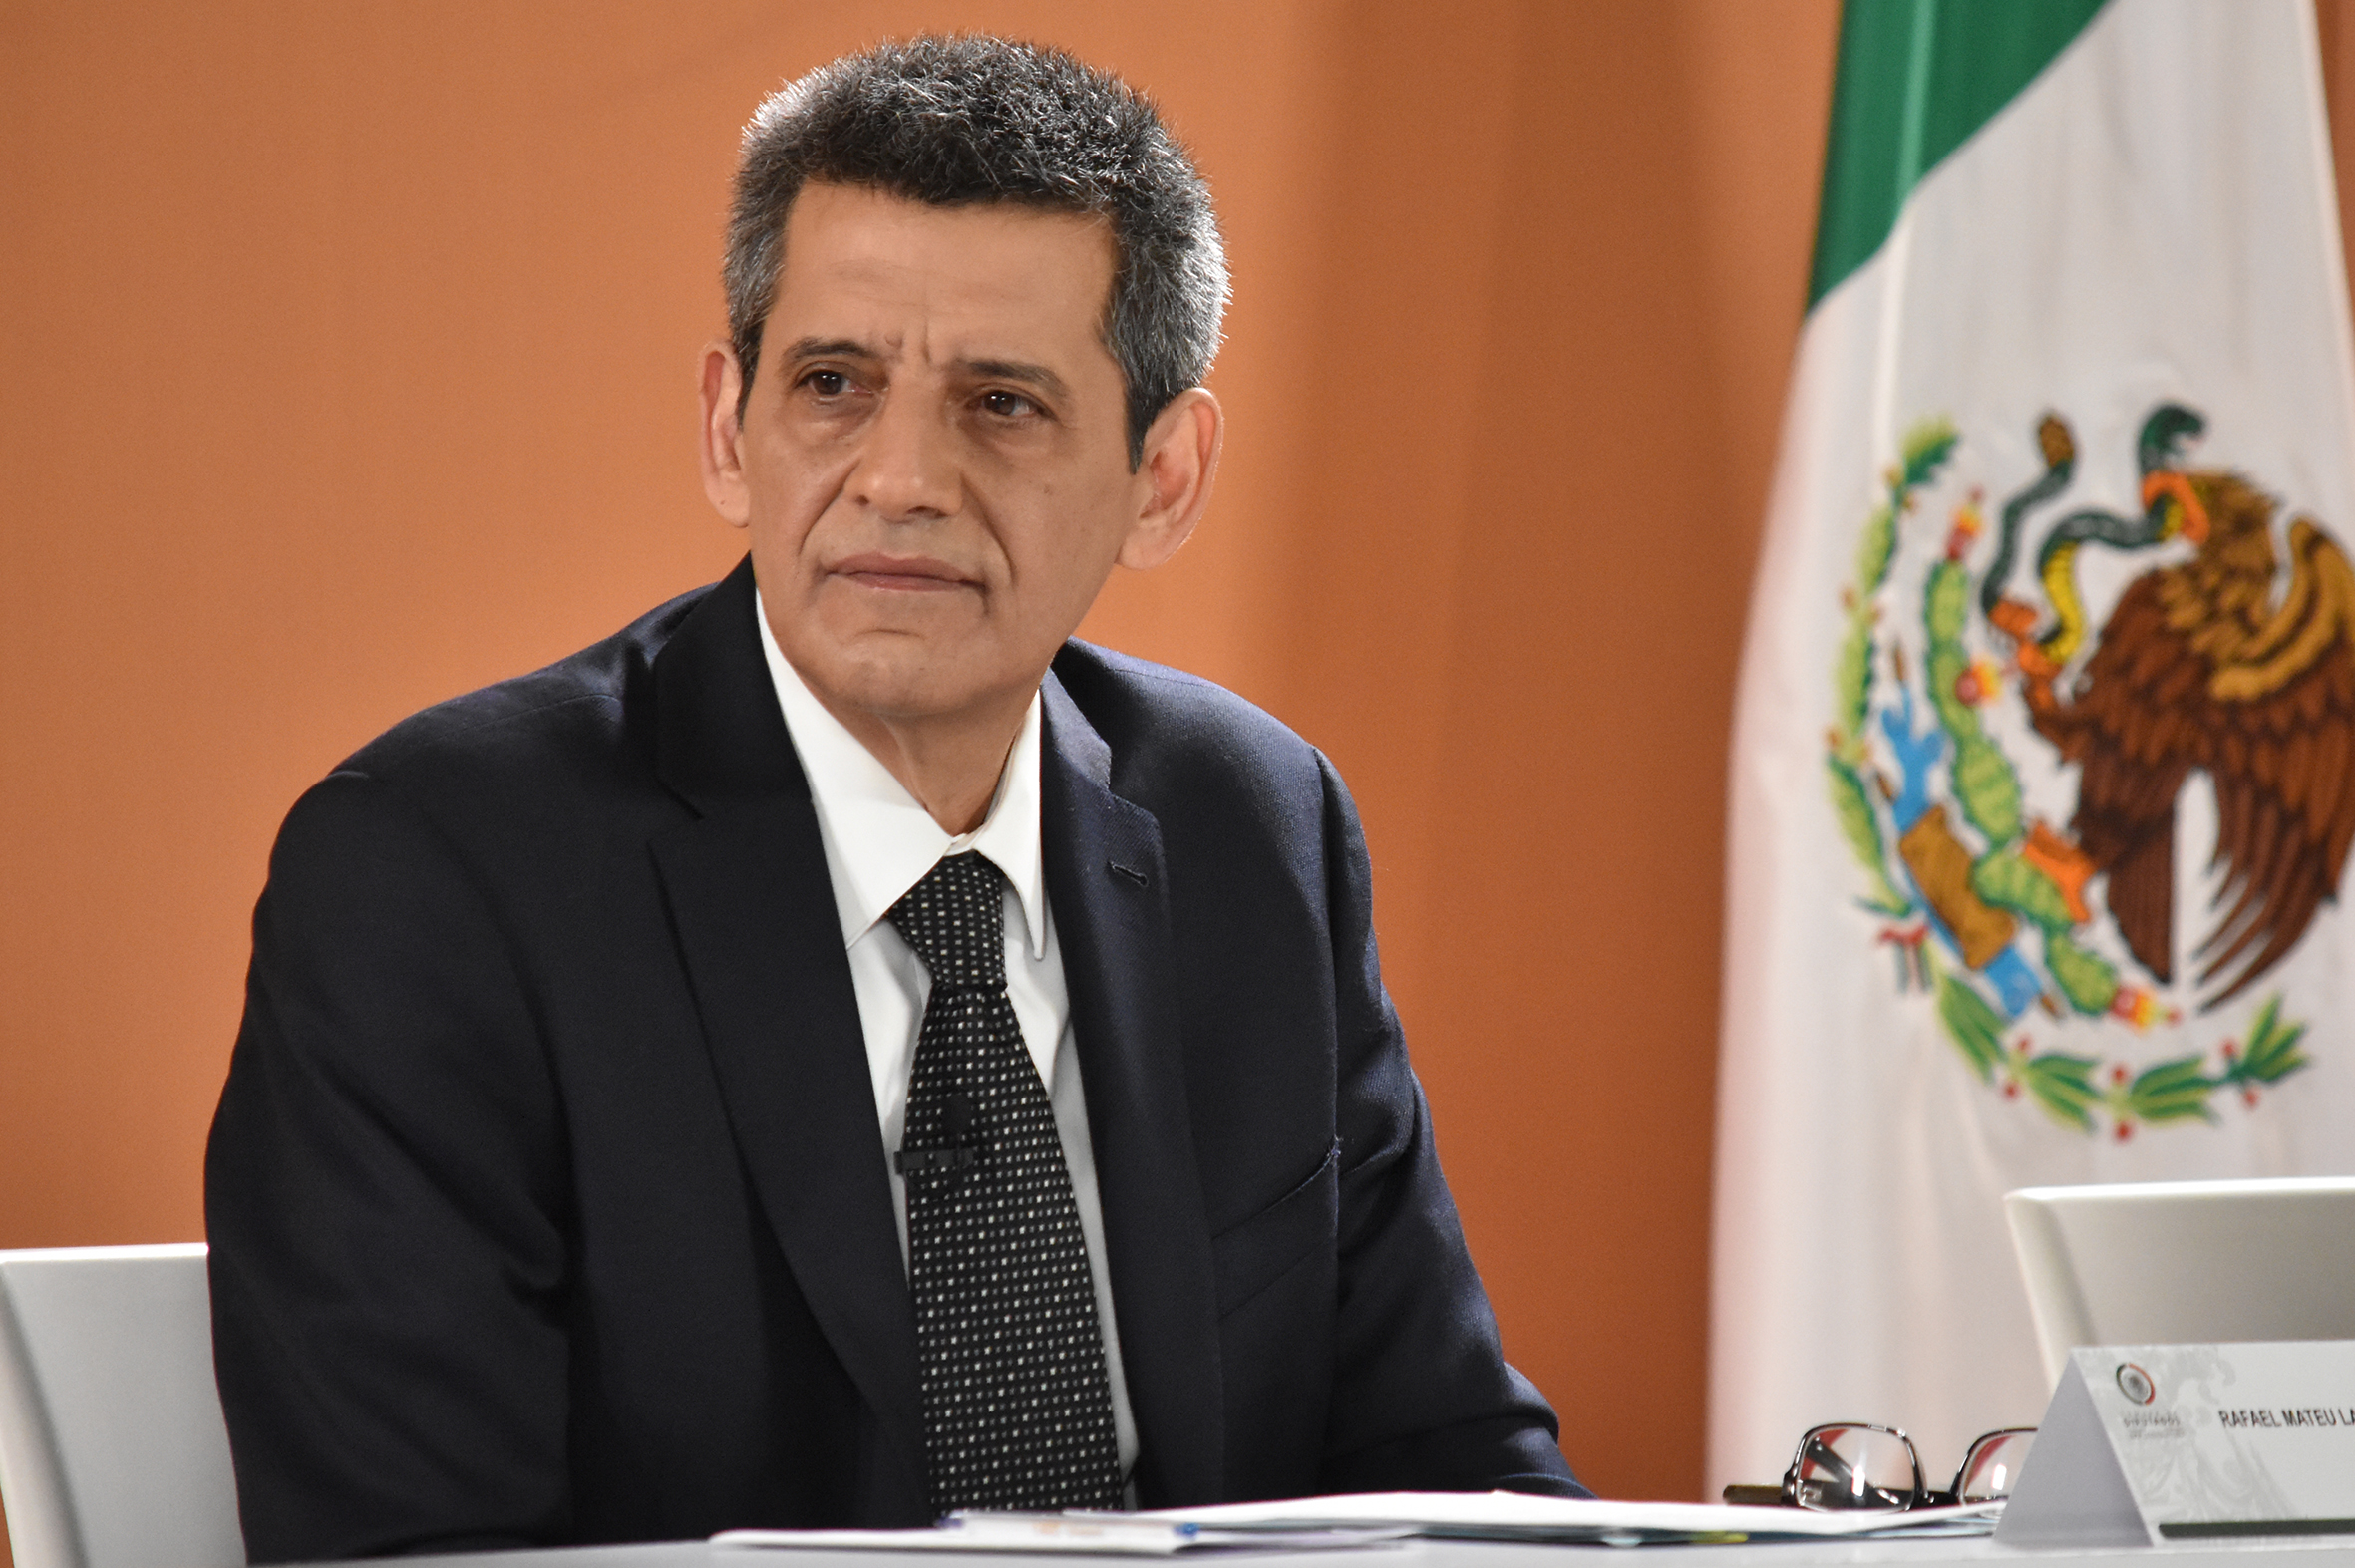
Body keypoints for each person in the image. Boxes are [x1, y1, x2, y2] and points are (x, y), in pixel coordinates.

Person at [203, 35, 1582, 1563]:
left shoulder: (1252, 824)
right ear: (728, 426)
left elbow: (1455, 1467)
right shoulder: (438, 874)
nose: (900, 477)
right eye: (834, 384)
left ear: (1164, 473)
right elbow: (412, 1547)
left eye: (1000, 402)